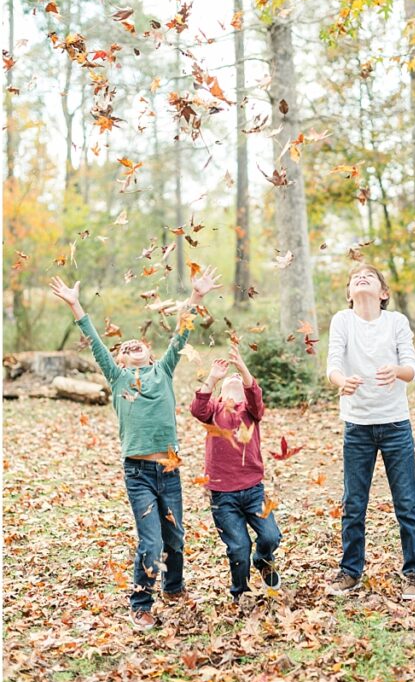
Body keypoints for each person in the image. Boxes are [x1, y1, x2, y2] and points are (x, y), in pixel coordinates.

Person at [49, 268, 221, 630]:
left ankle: (173, 588)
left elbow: (182, 333)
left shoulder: (164, 371)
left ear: (149, 353)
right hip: (138, 472)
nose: (130, 346)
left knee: (175, 538)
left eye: (136, 344)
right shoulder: (118, 377)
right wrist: (77, 305)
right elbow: (97, 343)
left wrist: (197, 298)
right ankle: (141, 602)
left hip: (170, 469)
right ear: (122, 361)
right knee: (151, 539)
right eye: (124, 348)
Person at [323, 263, 415, 600]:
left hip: (396, 424)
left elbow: (412, 368)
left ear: (383, 293)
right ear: (350, 293)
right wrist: (343, 382)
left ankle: (414, 572)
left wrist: (396, 370)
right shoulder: (343, 321)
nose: (361, 278)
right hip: (358, 427)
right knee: (354, 503)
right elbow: (333, 366)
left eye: (370, 276)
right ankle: (350, 571)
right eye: (355, 278)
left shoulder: (396, 322)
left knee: (406, 503)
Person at [190, 344, 281, 607]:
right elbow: (197, 408)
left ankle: (263, 559)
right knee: (238, 547)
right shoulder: (213, 412)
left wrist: (241, 368)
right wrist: (213, 378)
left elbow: (255, 395)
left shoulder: (251, 412)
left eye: (237, 381)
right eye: (228, 380)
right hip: (223, 495)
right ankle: (240, 591)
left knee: (270, 536)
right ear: (219, 393)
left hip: (253, 490)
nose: (233, 380)